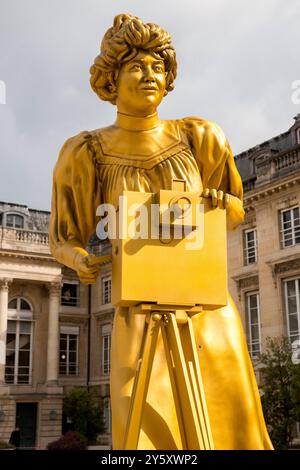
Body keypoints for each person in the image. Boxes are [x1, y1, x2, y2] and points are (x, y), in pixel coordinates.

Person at [49, 14, 273, 450]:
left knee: (231, 433)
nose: (149, 74)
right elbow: (64, 238)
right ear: (111, 79)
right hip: (140, 311)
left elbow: (234, 210)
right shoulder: (86, 150)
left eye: (157, 66)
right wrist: (80, 260)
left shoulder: (200, 136)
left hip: (208, 310)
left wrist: (220, 203)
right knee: (150, 435)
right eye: (136, 66)